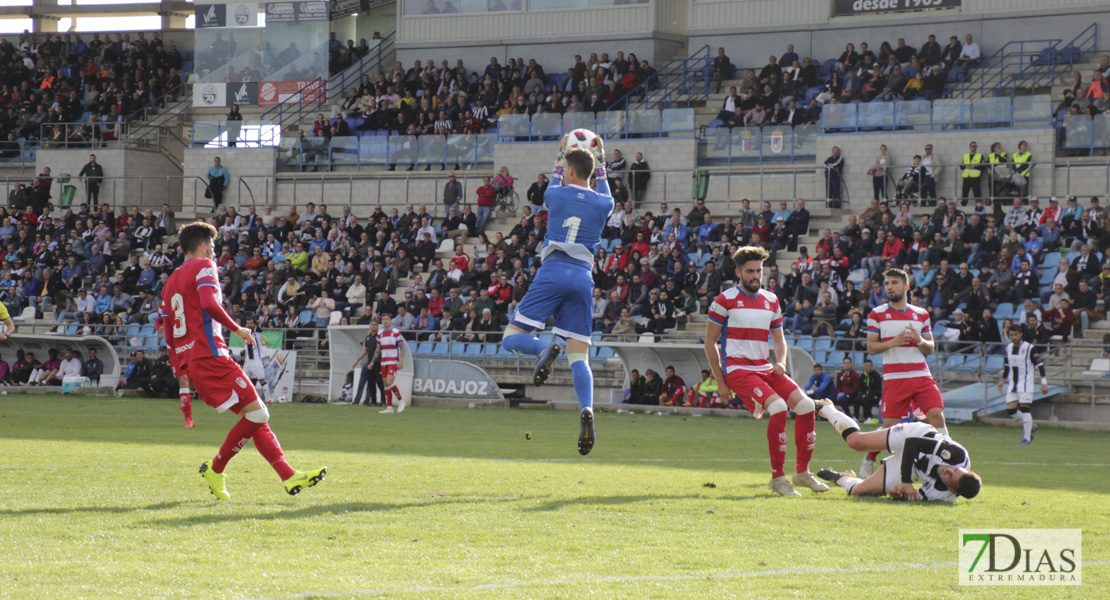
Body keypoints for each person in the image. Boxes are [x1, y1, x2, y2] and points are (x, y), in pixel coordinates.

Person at [163, 222, 325, 499]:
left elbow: (169, 333)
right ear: (203, 246)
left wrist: (181, 372)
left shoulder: (169, 284)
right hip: (211, 355)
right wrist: (237, 328)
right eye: (213, 247)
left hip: (194, 360)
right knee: (260, 414)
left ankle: (288, 476)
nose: (214, 253)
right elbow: (209, 304)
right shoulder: (204, 266)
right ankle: (215, 468)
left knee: (255, 417)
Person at [500, 138, 613, 456]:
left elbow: (553, 179)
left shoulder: (554, 195)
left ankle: (543, 349)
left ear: (571, 170)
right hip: (581, 278)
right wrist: (599, 159)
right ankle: (586, 409)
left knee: (511, 338)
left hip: (552, 271)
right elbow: (603, 188)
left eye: (565, 168)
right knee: (581, 358)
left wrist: (560, 152)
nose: (561, 172)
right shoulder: (603, 204)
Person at [703, 245, 828, 496]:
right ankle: (778, 478)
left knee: (805, 406)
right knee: (780, 407)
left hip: (766, 367)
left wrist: (781, 362)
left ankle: (802, 473)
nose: (755, 276)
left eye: (758, 271)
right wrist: (720, 381)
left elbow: (780, 340)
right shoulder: (724, 301)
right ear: (739, 273)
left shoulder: (771, 300)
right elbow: (710, 343)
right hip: (738, 370)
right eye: (749, 271)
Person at [861, 268, 946, 478]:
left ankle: (949, 458)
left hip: (921, 375)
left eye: (894, 282)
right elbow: (871, 348)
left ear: (906, 286)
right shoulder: (877, 313)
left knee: (936, 415)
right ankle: (870, 458)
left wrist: (919, 340)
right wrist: (894, 342)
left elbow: (930, 348)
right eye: (887, 283)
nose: (890, 287)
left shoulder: (921, 314)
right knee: (890, 426)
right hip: (895, 378)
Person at [813, 401, 981, 502]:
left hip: (913, 468)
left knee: (857, 492)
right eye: (955, 469)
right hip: (915, 436)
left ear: (952, 490)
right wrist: (907, 484)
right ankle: (826, 408)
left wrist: (898, 494)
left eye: (951, 476)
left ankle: (842, 478)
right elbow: (912, 444)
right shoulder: (957, 455)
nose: (949, 469)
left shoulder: (942, 495)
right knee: (855, 442)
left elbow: (912, 497)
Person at [999, 327, 1048, 445]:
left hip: (1026, 383)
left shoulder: (1029, 348)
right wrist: (1002, 381)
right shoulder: (1008, 348)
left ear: (1020, 334)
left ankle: (1027, 438)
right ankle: (1031, 426)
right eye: (1011, 335)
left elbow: (1040, 365)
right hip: (1013, 384)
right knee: (1011, 409)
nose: (1014, 337)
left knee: (1025, 407)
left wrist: (1044, 383)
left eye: (1016, 334)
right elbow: (1007, 366)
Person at [376, 313, 408, 413]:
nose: (385, 321)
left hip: (393, 360)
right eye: (383, 319)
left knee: (389, 382)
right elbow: (378, 349)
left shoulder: (396, 332)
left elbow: (402, 348)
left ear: (390, 321)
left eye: (387, 319)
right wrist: (373, 361)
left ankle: (401, 401)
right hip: (383, 361)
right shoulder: (379, 334)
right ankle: (389, 407)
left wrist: (401, 360)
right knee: (385, 384)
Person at [350, 320, 385, 406]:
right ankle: (373, 401)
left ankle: (383, 401)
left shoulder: (380, 336)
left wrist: (374, 361)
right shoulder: (368, 337)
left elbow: (379, 350)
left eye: (375, 325)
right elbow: (364, 350)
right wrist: (357, 360)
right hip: (369, 363)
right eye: (372, 324)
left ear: (378, 326)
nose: (373, 326)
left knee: (380, 382)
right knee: (371, 383)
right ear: (369, 326)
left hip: (378, 363)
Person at [240, 317, 271, 405]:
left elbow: (261, 325)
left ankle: (268, 400)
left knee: (262, 380)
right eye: (248, 323)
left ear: (254, 324)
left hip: (256, 360)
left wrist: (265, 316)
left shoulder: (257, 332)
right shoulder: (244, 333)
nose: (249, 325)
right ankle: (248, 399)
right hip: (248, 361)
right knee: (245, 381)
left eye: (251, 323)